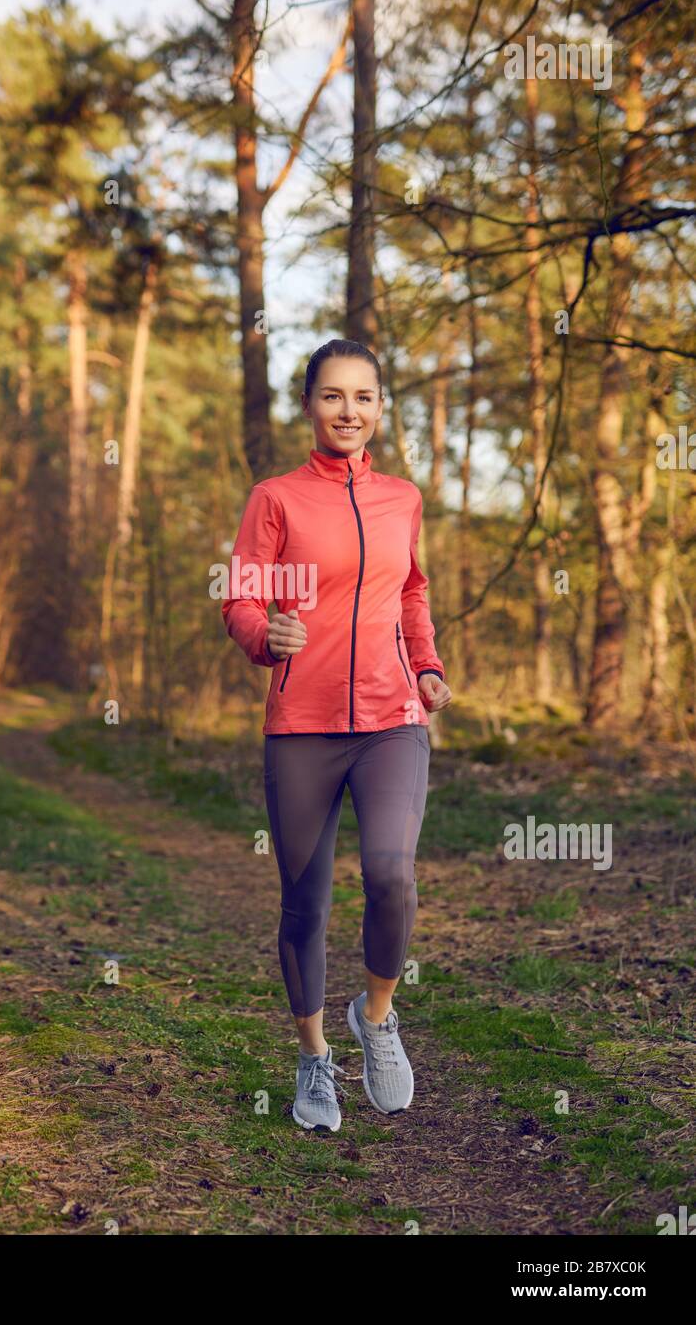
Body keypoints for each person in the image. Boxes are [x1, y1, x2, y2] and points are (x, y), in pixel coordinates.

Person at [222, 338, 452, 1132]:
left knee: (392, 873)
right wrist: (264, 638)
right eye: (332, 396)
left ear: (380, 408)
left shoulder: (402, 498)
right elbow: (243, 598)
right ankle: (315, 1056)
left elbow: (411, 592)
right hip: (303, 728)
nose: (348, 411)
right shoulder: (276, 499)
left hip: (392, 720)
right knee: (305, 902)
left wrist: (425, 666)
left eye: (363, 397)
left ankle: (377, 1016)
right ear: (309, 405)